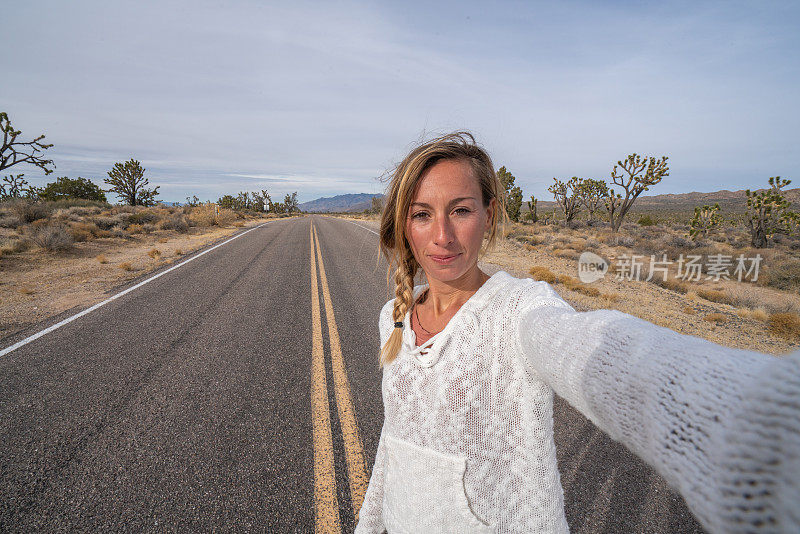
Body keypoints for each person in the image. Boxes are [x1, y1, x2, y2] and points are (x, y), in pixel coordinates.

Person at [353, 131, 799, 534]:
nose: (443, 236)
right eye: (422, 215)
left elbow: (605, 354)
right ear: (403, 225)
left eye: (461, 210)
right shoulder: (392, 316)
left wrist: (764, 417)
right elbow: (394, 440)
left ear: (489, 215)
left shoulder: (520, 312)